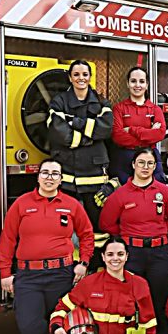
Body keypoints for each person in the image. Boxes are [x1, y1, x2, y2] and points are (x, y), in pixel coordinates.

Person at [0, 158, 92, 334]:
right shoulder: (21, 204)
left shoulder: (71, 205)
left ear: (61, 179)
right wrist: (5, 273)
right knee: (29, 324)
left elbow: (87, 234)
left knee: (58, 322)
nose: (50, 177)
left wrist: (84, 263)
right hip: (28, 275)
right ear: (37, 177)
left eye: (55, 174)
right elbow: (7, 239)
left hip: (61, 273)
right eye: (46, 173)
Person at [99, 147, 168, 334]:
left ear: (155, 167)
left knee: (159, 304)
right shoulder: (120, 195)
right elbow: (107, 223)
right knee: (130, 306)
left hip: (159, 254)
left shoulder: (164, 192)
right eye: (141, 162)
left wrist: (155, 234)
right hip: (132, 255)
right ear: (133, 165)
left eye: (150, 163)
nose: (145, 167)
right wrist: (130, 236)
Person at [46, 59, 114, 229]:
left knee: (96, 228)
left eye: (85, 74)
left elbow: (105, 129)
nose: (80, 78)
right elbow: (58, 132)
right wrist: (89, 138)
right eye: (76, 74)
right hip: (67, 177)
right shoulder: (59, 101)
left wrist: (75, 122)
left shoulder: (101, 102)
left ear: (90, 77)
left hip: (95, 178)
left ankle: (96, 256)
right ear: (70, 77)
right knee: (64, 228)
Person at [109, 66, 167, 183]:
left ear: (147, 85)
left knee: (155, 192)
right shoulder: (119, 108)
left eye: (142, 81)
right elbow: (117, 136)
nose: (137, 85)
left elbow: (160, 134)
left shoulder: (155, 110)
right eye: (133, 81)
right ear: (127, 83)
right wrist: (148, 135)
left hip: (150, 156)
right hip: (125, 157)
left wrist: (131, 129)